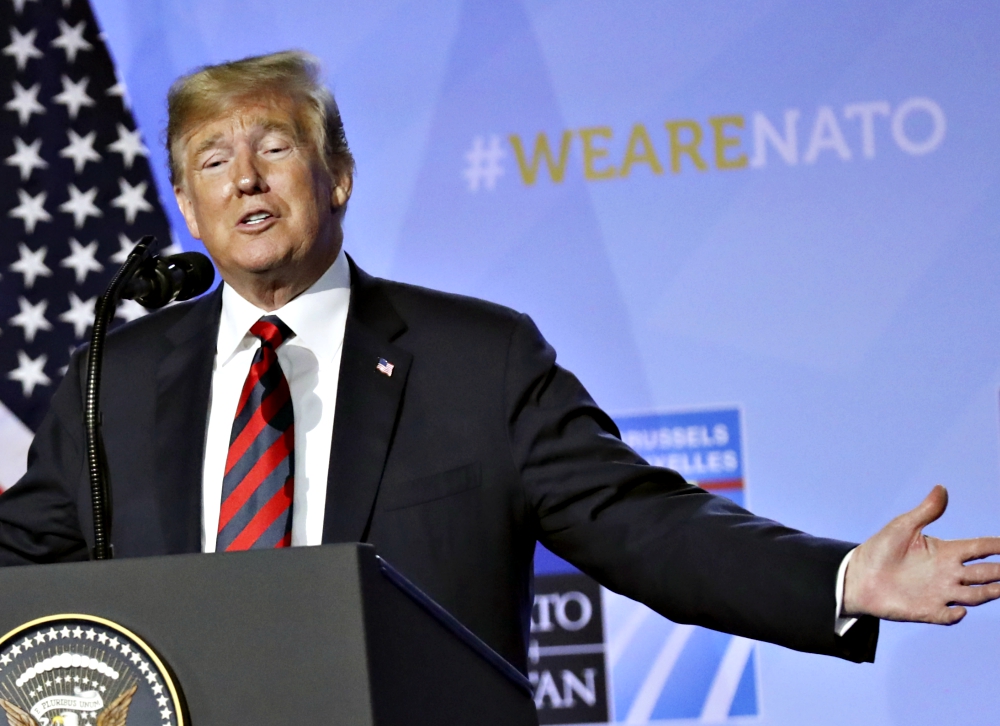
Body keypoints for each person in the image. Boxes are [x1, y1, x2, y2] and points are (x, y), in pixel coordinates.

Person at [1, 51, 999, 672]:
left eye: (273, 147)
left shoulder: (474, 359)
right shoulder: (116, 379)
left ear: (338, 177)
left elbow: (643, 521)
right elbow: (22, 563)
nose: (246, 178)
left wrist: (836, 578)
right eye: (212, 160)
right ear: (187, 201)